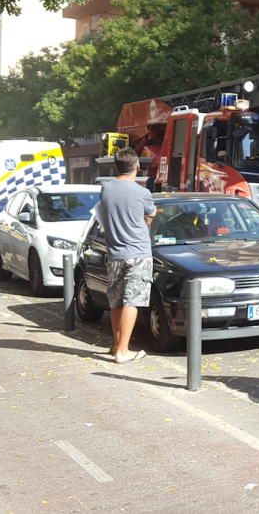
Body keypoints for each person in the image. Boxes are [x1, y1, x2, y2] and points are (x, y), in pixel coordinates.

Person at [98, 147, 156, 362]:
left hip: (115, 253)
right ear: (138, 166)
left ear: (116, 166)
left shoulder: (106, 189)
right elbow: (149, 217)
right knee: (133, 300)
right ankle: (123, 351)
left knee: (116, 300)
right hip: (138, 252)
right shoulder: (143, 193)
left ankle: (116, 344)